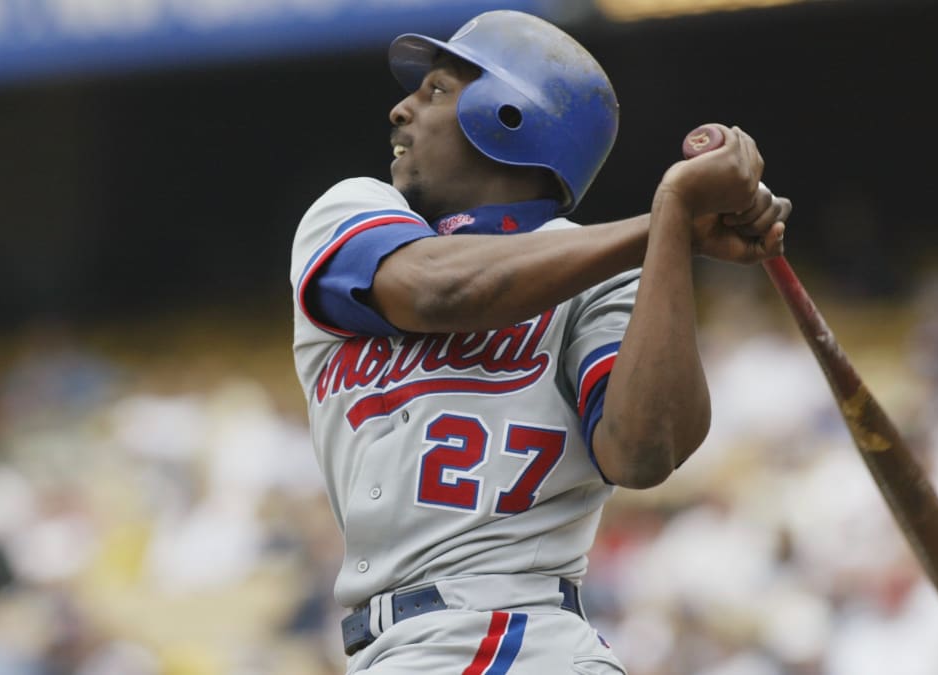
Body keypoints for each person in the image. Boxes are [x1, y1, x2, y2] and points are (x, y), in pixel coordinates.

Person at [289, 9, 791, 674]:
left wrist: (670, 236)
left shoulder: (607, 277)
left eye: (436, 90)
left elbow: (645, 452)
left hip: (519, 638)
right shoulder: (354, 210)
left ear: (509, 113)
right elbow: (436, 291)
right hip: (389, 650)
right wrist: (667, 221)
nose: (400, 110)